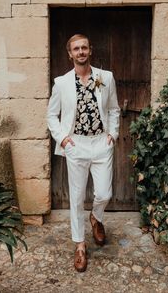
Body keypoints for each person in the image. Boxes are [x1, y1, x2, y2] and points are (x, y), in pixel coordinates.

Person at [47, 34, 120, 272]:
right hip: (76, 145)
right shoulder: (61, 83)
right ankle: (80, 245)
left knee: (104, 193)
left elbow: (113, 109)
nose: (81, 52)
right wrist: (64, 140)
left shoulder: (105, 77)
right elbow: (51, 115)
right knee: (77, 198)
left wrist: (113, 135)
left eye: (84, 48)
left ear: (90, 50)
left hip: (101, 143)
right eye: (76, 49)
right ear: (70, 54)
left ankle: (96, 217)